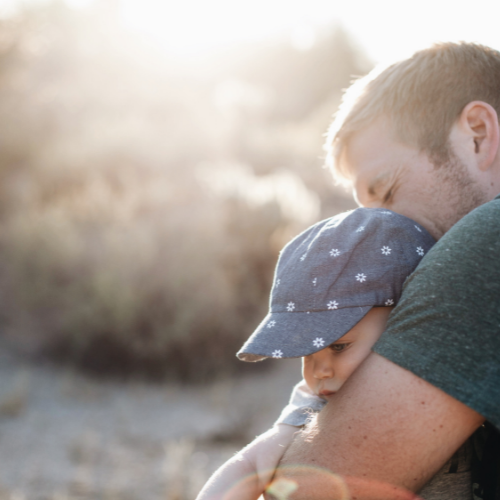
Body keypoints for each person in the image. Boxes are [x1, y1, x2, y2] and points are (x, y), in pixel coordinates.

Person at [269, 42, 500, 500]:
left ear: (477, 132)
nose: (376, 232)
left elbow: (306, 495)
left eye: (387, 192)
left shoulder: (486, 243)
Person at [196, 207, 446, 500]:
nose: (319, 371)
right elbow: (250, 464)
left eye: (338, 347)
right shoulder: (316, 403)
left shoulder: (450, 374)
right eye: (306, 353)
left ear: (404, 320)